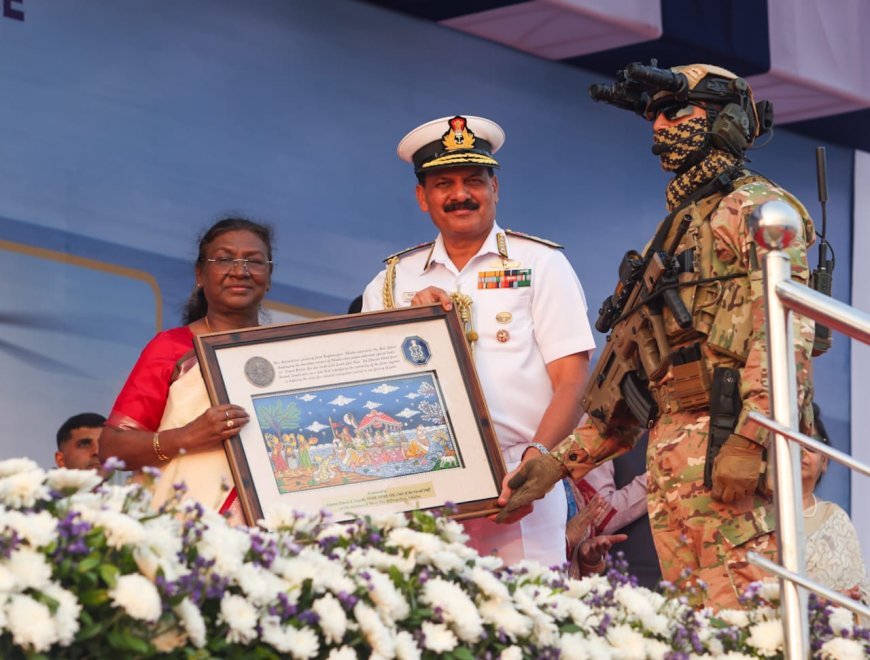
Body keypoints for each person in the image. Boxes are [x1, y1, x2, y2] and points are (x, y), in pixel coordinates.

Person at [501, 63, 817, 608]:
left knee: (753, 629)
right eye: (653, 117)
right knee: (696, 635)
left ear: (725, 119)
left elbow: (787, 328)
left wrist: (753, 435)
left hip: (734, 460)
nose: (660, 127)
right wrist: (557, 464)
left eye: (675, 112)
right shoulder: (676, 228)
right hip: (674, 467)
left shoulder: (762, 209)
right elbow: (631, 379)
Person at [361, 114, 596, 567]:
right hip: (418, 478)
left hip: (520, 472)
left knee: (526, 621)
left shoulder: (540, 263)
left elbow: (572, 379)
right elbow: (370, 387)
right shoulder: (391, 281)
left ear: (495, 189)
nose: (461, 195)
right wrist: (412, 324)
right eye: (443, 183)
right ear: (422, 197)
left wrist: (538, 462)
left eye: (474, 180)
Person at [99, 217, 273, 519]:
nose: (240, 271)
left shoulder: (287, 354)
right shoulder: (172, 348)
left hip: (270, 534)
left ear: (269, 277)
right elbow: (112, 448)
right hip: (181, 535)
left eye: (254, 261)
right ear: (200, 275)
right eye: (224, 259)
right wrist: (188, 437)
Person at [803, 403, 869, 604]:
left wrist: (845, 600)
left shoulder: (835, 516)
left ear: (825, 462)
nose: (801, 451)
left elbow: (862, 590)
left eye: (811, 444)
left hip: (830, 630)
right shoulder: (755, 516)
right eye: (793, 442)